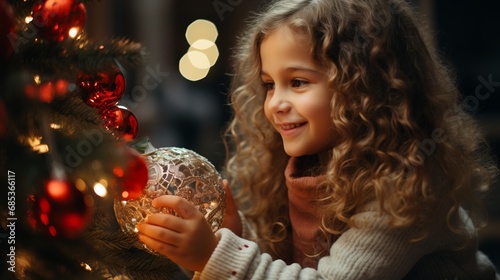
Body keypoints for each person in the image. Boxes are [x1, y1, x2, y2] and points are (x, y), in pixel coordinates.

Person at [137, 0, 500, 278]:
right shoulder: (301, 165)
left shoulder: (407, 189)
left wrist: (214, 255)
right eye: (268, 85)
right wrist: (239, 234)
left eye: (297, 82)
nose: (275, 104)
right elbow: (286, 264)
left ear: (364, 87)